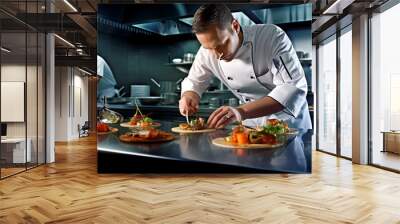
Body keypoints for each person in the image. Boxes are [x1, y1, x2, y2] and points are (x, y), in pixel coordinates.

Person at [179, 4, 311, 130]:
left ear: (235, 26)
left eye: (221, 45)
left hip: (288, 122)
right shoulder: (207, 51)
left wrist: (241, 111)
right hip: (251, 123)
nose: (217, 55)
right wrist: (189, 96)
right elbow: (194, 82)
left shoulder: (271, 37)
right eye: (209, 48)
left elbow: (291, 87)